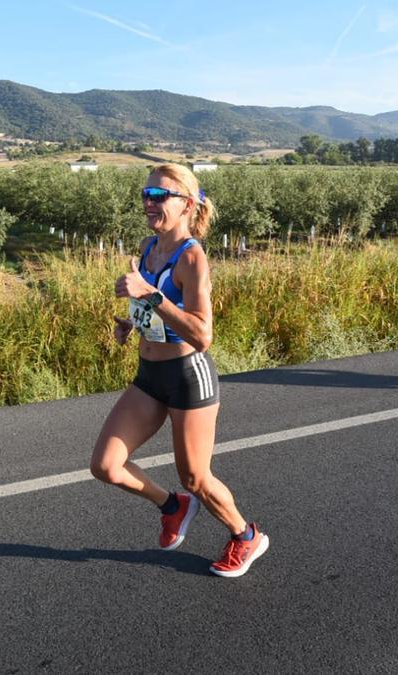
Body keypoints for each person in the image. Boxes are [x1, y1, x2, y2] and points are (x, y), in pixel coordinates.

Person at [89, 163, 268, 578]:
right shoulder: (148, 246)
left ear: (187, 204)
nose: (149, 204)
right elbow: (155, 309)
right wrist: (131, 321)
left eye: (159, 197)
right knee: (106, 466)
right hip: (149, 378)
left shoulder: (193, 257)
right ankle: (171, 506)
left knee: (195, 476)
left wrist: (149, 296)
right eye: (146, 195)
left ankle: (245, 536)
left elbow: (203, 334)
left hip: (189, 376)